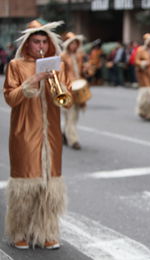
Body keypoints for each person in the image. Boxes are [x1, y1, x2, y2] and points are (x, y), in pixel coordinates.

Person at [3, 20, 71, 249]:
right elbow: (10, 98)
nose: (40, 45)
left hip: (51, 132)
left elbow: (68, 99)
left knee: (50, 184)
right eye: (36, 42)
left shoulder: (59, 66)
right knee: (26, 184)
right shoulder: (15, 65)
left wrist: (57, 83)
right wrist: (32, 81)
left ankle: (47, 231)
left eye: (44, 41)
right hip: (24, 131)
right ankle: (19, 231)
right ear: (28, 44)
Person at [61, 32, 89, 150]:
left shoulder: (79, 56)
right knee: (70, 115)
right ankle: (73, 140)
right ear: (67, 45)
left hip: (78, 87)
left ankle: (64, 134)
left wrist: (87, 69)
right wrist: (66, 87)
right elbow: (60, 74)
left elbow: (84, 72)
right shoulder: (62, 56)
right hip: (67, 88)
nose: (74, 45)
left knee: (73, 115)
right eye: (71, 43)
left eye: (75, 43)